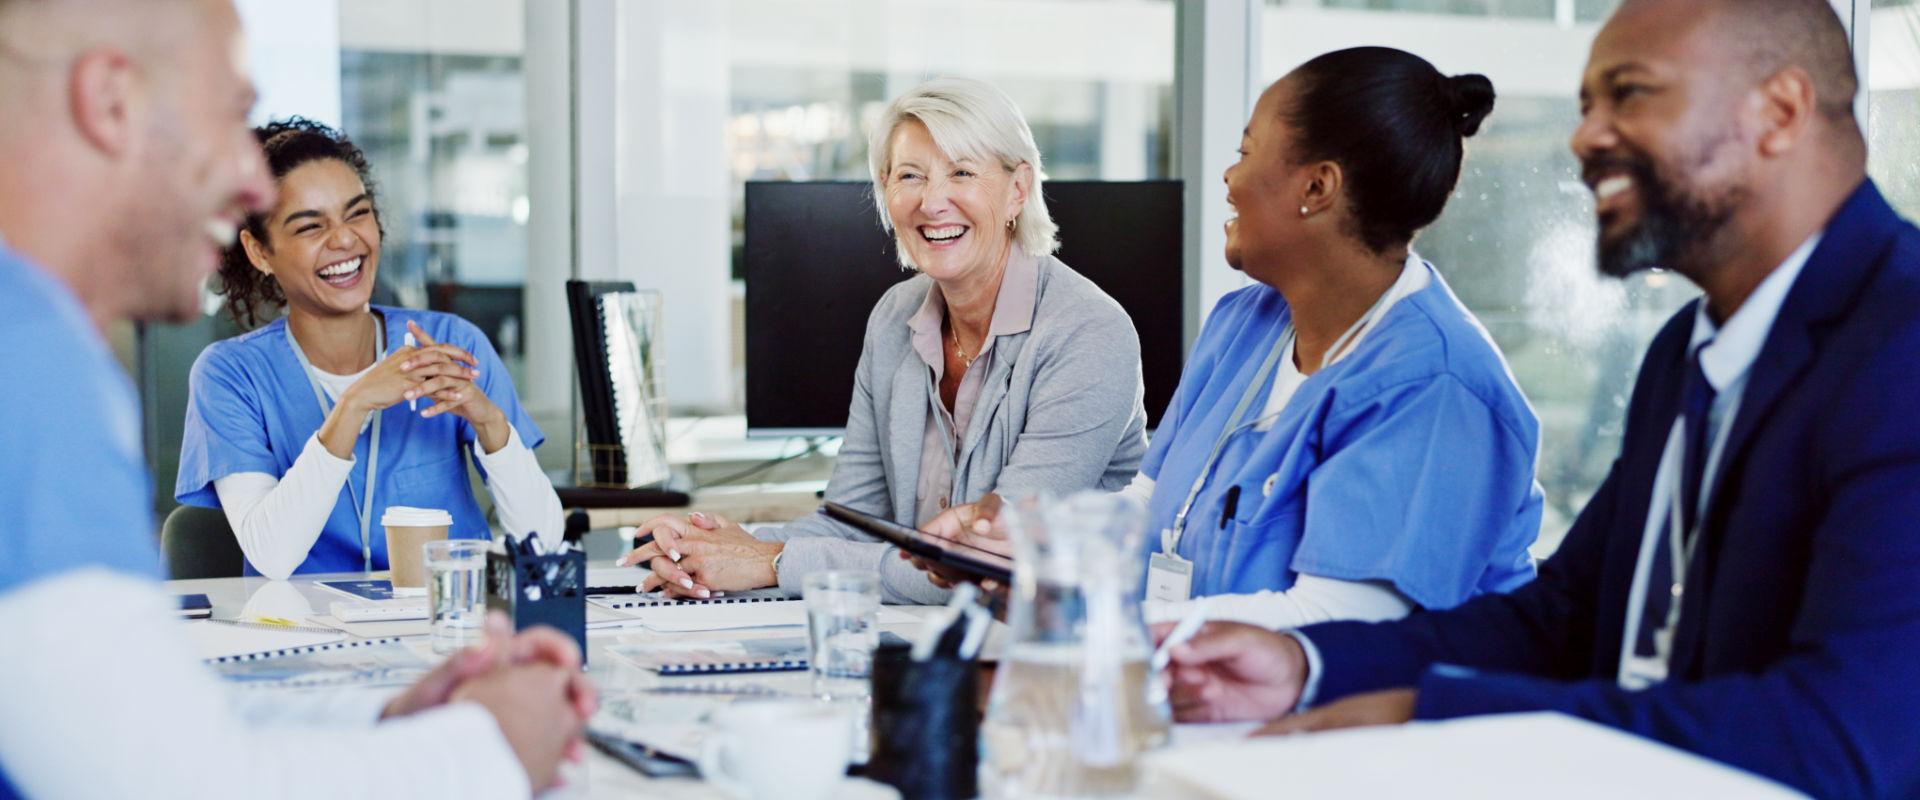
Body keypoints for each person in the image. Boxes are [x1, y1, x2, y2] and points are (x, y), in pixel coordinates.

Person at [1159, 2, 1920, 797]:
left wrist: (1432, 711)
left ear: (1781, 111)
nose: (1585, 137)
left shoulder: (1900, 347)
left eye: (1630, 94)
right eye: (1588, 105)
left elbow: (1845, 738)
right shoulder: (1688, 350)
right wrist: (1306, 665)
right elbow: (1564, 616)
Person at [0, 0, 589, 796]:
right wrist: (490, 751)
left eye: (354, 213)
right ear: (112, 104)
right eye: (229, 114)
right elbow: (149, 780)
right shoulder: (30, 370)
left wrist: (387, 724)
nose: (249, 178)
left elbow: (142, 727)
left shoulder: (45, 345)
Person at [924, 48, 1543, 630]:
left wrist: (1097, 616)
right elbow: (1148, 510)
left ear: (1317, 188)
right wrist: (1021, 547)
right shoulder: (1244, 324)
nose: (1228, 177)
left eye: (1246, 153)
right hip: (1215, 698)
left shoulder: (1432, 384)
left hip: (1381, 729)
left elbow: (1336, 622)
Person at [616, 77, 1149, 604]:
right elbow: (854, 521)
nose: (932, 201)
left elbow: (989, 567)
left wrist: (770, 561)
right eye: (910, 176)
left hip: (1057, 656)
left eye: (961, 172)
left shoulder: (1088, 333)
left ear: (1018, 189)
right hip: (930, 641)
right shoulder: (896, 317)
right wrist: (712, 548)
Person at [174, 118, 564, 579]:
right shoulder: (230, 375)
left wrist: (489, 421)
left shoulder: (450, 345)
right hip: (303, 633)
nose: (344, 239)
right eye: (309, 227)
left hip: (445, 626)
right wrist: (356, 403)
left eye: (357, 213)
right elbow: (272, 556)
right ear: (260, 253)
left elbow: (543, 541)